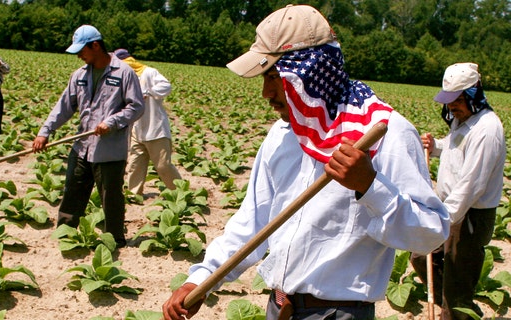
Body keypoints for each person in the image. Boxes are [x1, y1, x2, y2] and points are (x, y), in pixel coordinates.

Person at [162, 5, 450, 320]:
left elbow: (431, 232)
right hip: (279, 308)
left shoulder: (384, 133)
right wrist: (201, 280)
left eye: (274, 77)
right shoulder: (281, 136)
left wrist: (369, 186)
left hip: (338, 315)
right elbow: (252, 224)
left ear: (309, 73)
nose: (266, 92)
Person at [32, 25, 144, 248]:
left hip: (110, 150)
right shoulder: (79, 75)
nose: (79, 56)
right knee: (72, 190)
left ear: (95, 45)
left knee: (110, 197)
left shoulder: (124, 73)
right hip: (82, 146)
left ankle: (114, 240)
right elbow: (64, 107)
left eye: (81, 51)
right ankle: (64, 235)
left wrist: (111, 122)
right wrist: (45, 132)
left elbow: (136, 107)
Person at [410, 63, 505, 320]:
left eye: (458, 100)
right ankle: (455, 302)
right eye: (449, 100)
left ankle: (456, 307)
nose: (452, 106)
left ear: (474, 95)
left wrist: (440, 220)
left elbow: (471, 186)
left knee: (457, 280)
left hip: (468, 216)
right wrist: (436, 146)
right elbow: (455, 151)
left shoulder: (487, 129)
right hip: (449, 209)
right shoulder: (463, 120)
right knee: (420, 256)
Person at [113, 48, 182, 196]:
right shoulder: (124, 78)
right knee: (134, 164)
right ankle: (133, 194)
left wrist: (147, 92)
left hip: (155, 128)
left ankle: (181, 192)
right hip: (136, 129)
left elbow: (166, 86)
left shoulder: (149, 72)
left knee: (163, 166)